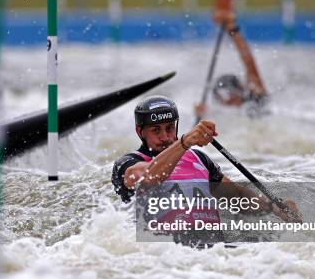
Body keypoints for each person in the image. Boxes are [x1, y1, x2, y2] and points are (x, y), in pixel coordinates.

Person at [112, 95, 300, 245]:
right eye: (156, 130)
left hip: (214, 250)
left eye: (170, 128)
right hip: (164, 251)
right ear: (140, 132)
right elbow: (150, 176)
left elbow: (237, 198)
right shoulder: (128, 163)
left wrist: (274, 208)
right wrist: (184, 142)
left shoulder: (198, 158)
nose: (165, 137)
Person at [195, 9, 270, 119]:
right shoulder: (221, 116)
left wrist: (233, 30)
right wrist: (201, 116)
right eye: (222, 99)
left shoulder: (257, 100)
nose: (228, 102)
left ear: (240, 89)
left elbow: (249, 62)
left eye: (230, 96)